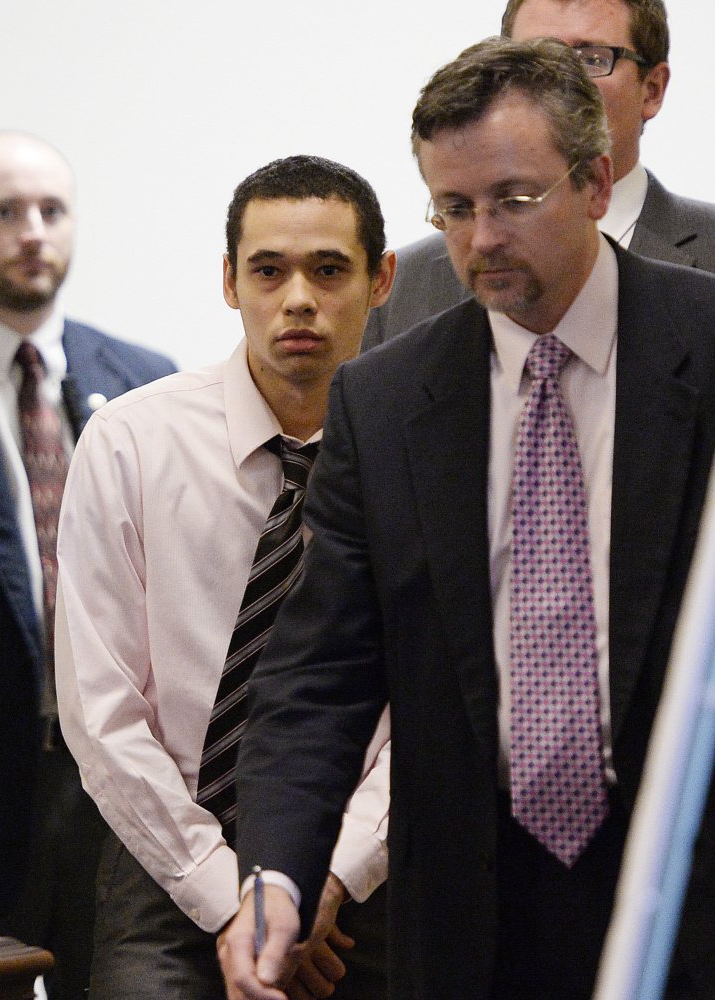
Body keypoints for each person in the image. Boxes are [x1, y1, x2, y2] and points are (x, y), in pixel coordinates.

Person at [220, 37, 715, 1000]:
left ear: (597, 182)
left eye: (512, 201)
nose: (479, 238)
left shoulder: (706, 346)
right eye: (453, 208)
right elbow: (320, 672)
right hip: (472, 912)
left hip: (686, 887)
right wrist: (276, 870)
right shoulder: (388, 398)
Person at [55, 155, 396, 1000]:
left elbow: (433, 707)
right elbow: (102, 711)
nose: (299, 300)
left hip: (368, 866)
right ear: (228, 281)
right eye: (268, 271)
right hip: (173, 857)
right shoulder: (133, 441)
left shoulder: (427, 449)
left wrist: (330, 876)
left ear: (382, 278)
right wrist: (229, 898)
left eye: (329, 270)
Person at [0, 129, 176, 999]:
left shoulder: (141, 381)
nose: (33, 232)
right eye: (5, 211)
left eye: (52, 210)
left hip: (119, 774)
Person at [362, 0, 715, 349]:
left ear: (652, 88)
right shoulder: (402, 290)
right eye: (532, 60)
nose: (561, 84)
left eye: (592, 59)